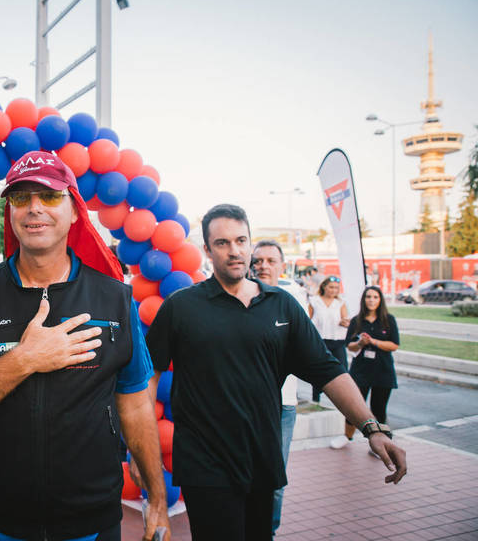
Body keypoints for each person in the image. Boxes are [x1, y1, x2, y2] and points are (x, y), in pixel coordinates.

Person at [0, 151, 170, 541]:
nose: (34, 207)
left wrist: (156, 497)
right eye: (21, 197)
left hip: (92, 518)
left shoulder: (114, 298)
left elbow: (135, 402)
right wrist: (23, 360)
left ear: (74, 211)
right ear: (10, 211)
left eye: (50, 196)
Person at [144, 204, 407, 540]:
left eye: (241, 240)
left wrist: (373, 428)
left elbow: (329, 371)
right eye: (222, 243)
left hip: (262, 462)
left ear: (250, 244)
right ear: (207, 251)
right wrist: (142, 452)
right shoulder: (181, 307)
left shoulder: (281, 305)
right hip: (204, 466)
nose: (234, 251)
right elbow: (145, 378)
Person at [250, 239, 306, 536]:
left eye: (271, 261)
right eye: (258, 260)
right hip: (247, 405)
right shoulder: (239, 298)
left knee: (274, 477)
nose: (263, 266)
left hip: (282, 405)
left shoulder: (292, 299)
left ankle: (267, 532)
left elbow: (309, 353)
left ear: (282, 265)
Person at [332, 286, 400, 452]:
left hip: (382, 371)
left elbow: (394, 345)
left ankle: (380, 444)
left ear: (380, 300)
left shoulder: (388, 320)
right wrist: (360, 343)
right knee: (353, 406)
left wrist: (374, 342)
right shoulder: (356, 321)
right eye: (368, 297)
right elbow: (350, 346)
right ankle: (347, 436)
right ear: (364, 300)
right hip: (360, 371)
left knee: (379, 410)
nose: (371, 300)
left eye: (375, 297)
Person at [309, 276, 350, 404]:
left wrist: (345, 322)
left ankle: (344, 398)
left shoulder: (340, 303)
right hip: (320, 341)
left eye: (336, 288)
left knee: (342, 369)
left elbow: (346, 320)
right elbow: (308, 320)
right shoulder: (314, 301)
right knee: (318, 370)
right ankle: (316, 399)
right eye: (331, 287)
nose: (333, 290)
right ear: (324, 287)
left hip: (337, 341)